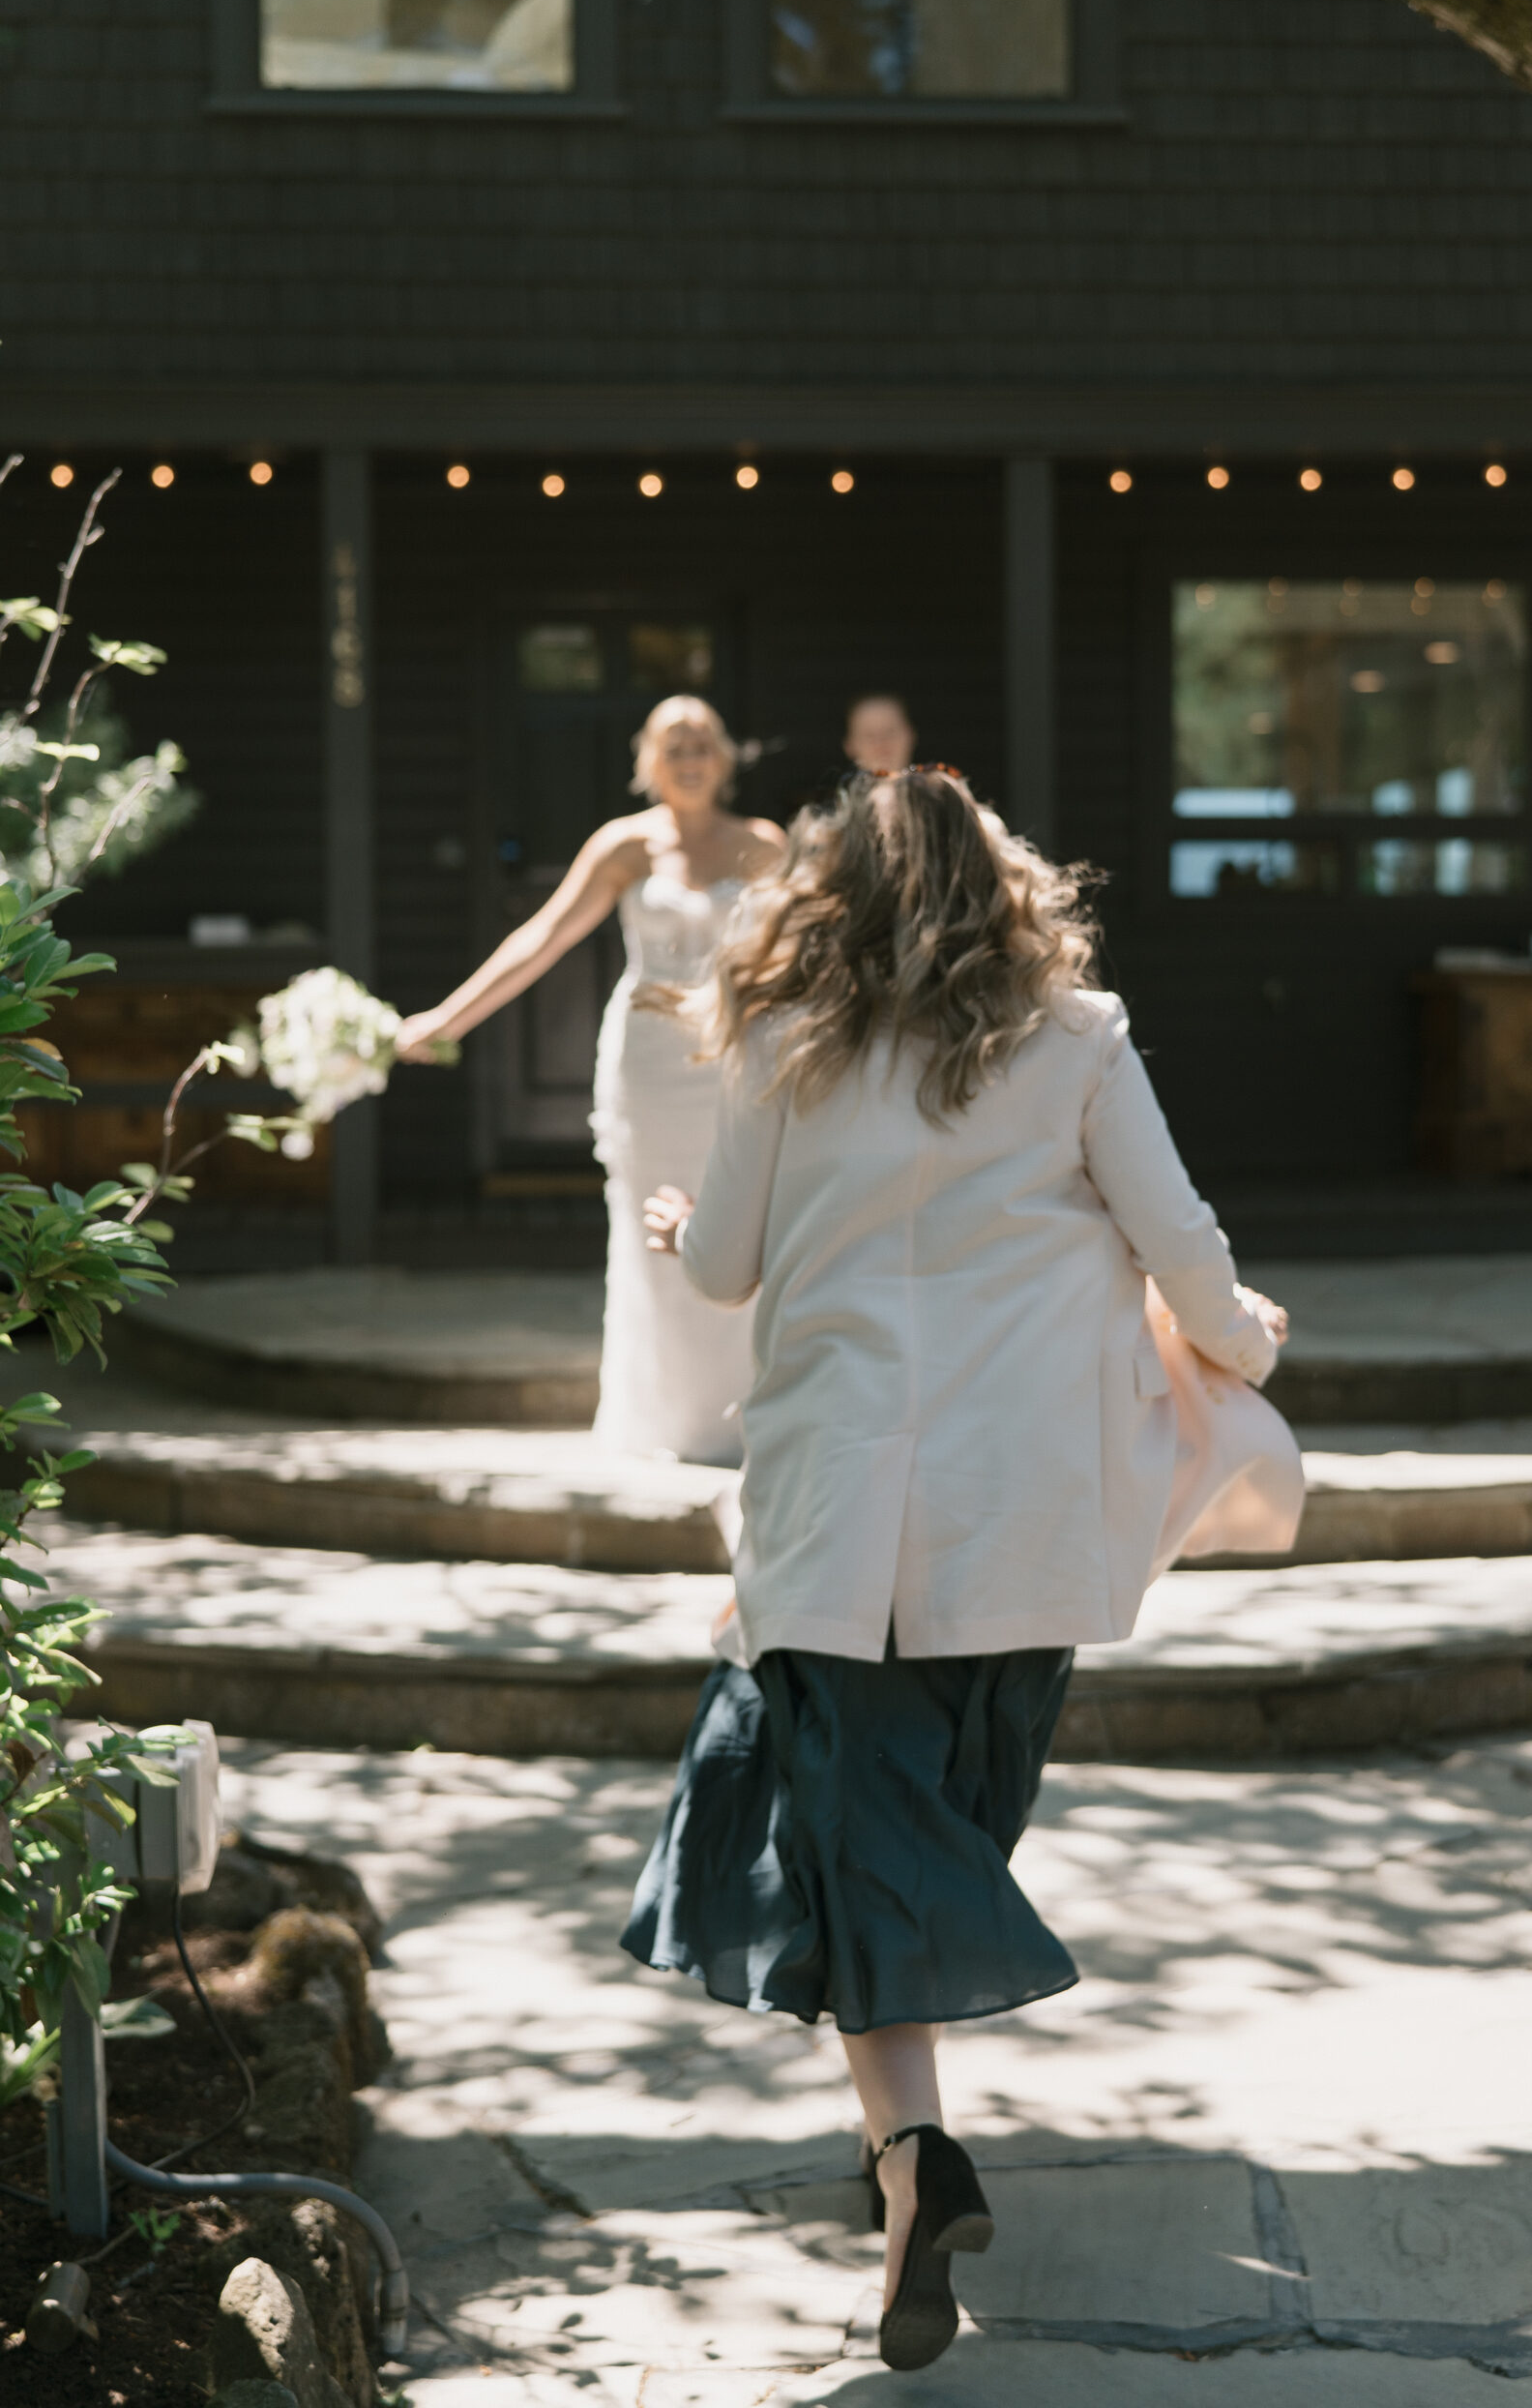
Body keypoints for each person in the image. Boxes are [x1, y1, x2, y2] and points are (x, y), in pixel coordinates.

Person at [623, 767, 1290, 2370]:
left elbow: (722, 1267)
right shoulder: (1076, 1039)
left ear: (829, 892)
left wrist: (668, 1226)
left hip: (838, 1514)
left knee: (866, 1846)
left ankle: (913, 2158)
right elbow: (1178, 1240)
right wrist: (1242, 1341)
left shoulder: (788, 1041)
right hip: (1021, 1515)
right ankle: (909, 2166)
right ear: (1001, 885)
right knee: (933, 1828)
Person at [396, 696, 785, 1467]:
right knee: (648, 1234)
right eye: (673, 744)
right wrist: (447, 1017)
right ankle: (663, 1419)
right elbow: (540, 936)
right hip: (648, 1064)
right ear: (648, 759)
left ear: (726, 756)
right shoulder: (623, 847)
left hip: (732, 1063)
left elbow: (805, 952)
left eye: (702, 741)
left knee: (737, 1220)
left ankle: (746, 1415)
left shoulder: (764, 845)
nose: (689, 757)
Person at [842, 691, 916, 777]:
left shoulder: (932, 789)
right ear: (850, 746)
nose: (881, 743)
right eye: (869, 735)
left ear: (910, 736)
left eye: (890, 731)